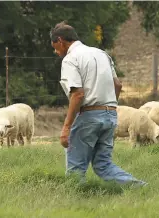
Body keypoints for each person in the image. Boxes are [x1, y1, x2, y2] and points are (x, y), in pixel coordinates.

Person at [49, 21, 147, 186]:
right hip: (110, 115)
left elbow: (78, 94)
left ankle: (74, 203)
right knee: (104, 165)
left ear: (60, 40)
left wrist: (66, 127)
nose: (55, 51)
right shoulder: (102, 54)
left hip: (88, 116)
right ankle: (141, 188)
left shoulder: (70, 59)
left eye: (55, 46)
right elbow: (118, 85)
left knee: (76, 169)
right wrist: (109, 108)